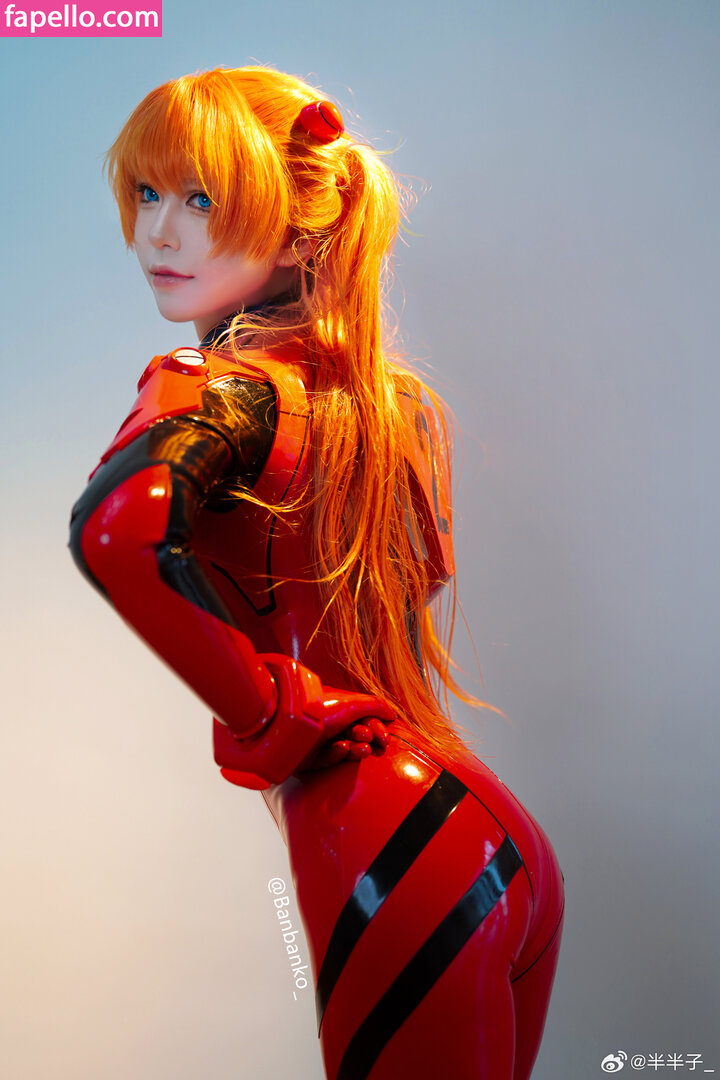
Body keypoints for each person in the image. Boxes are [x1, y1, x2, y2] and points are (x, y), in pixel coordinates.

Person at [69, 66, 564, 1080]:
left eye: (201, 198)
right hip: (485, 827)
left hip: (384, 841)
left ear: (297, 232)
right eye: (148, 194)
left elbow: (117, 535)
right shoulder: (393, 407)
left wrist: (271, 711)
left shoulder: (212, 391)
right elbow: (413, 587)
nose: (158, 232)